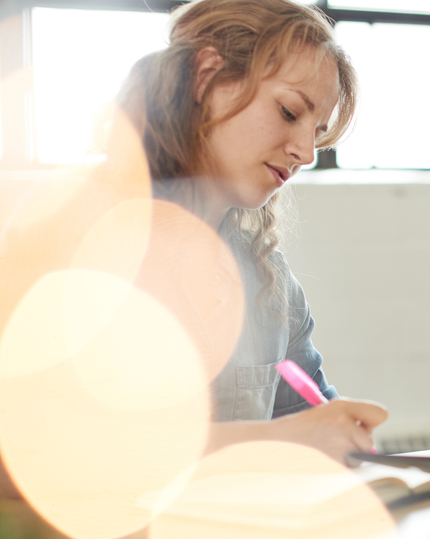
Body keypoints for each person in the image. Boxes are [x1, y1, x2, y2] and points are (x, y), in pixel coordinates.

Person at [0, 0, 385, 500]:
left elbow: (311, 422)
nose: (306, 153)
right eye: (289, 112)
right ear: (206, 76)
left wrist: (343, 435)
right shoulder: (69, 232)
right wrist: (275, 440)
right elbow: (45, 452)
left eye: (316, 133)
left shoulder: (270, 283)